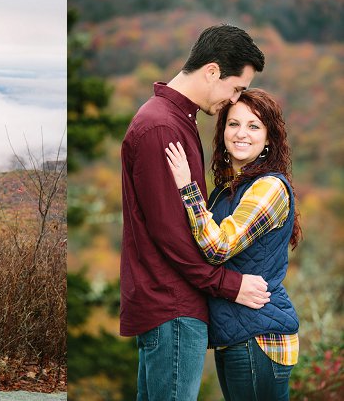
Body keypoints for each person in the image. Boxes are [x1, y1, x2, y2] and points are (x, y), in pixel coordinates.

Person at [119, 24, 274, 400]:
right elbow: (172, 234)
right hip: (172, 306)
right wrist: (229, 286)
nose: (234, 98)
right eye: (236, 88)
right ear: (212, 71)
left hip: (174, 304)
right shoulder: (161, 127)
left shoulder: (176, 120)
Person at [165, 89, 300, 400]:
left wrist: (187, 187)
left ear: (269, 138)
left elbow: (218, 247)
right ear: (222, 130)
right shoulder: (227, 190)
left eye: (254, 126)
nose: (241, 134)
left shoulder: (270, 187)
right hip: (237, 333)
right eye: (233, 124)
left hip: (259, 336)